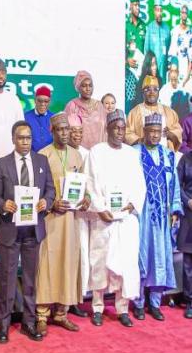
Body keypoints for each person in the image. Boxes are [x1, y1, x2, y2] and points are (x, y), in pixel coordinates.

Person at [0, 120, 55, 343]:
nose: (25, 142)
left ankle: (29, 323)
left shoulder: (42, 161)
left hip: (33, 230)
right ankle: (4, 324)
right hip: (10, 229)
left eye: (28, 138)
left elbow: (51, 189)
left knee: (30, 280)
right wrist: (3, 204)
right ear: (13, 139)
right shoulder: (2, 164)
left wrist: (46, 203)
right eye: (21, 138)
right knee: (7, 279)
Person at [86, 109, 146, 327]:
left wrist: (131, 205)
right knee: (100, 264)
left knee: (126, 263)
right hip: (104, 219)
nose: (120, 132)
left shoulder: (132, 154)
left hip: (126, 220)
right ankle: (98, 307)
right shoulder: (96, 152)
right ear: (107, 128)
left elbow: (140, 185)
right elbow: (90, 183)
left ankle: (122, 309)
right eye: (116, 128)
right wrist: (100, 209)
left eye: (123, 128)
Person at [35, 113, 89, 335]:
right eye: (60, 129)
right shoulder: (42, 155)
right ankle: (42, 315)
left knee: (68, 262)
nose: (65, 133)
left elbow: (84, 187)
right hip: (50, 220)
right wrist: (51, 203)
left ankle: (62, 313)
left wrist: (86, 200)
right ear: (52, 131)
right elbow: (36, 190)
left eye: (67, 129)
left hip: (72, 221)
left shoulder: (77, 155)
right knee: (47, 264)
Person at [133, 113, 182, 321]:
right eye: (150, 131)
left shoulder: (168, 155)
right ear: (144, 132)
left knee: (160, 257)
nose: (154, 135)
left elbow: (175, 186)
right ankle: (137, 303)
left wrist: (174, 210)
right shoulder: (133, 153)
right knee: (141, 256)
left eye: (157, 132)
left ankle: (154, 303)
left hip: (162, 215)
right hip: (141, 215)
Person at [68, 113, 97, 310]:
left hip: (86, 213)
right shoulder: (63, 153)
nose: (77, 135)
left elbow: (93, 182)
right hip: (66, 212)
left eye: (80, 131)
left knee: (85, 254)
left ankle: (80, 296)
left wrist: (89, 200)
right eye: (73, 132)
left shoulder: (89, 154)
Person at [126, 75, 182, 151]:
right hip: (142, 155)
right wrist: (140, 140)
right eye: (147, 89)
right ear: (143, 92)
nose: (152, 92)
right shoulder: (134, 113)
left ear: (159, 92)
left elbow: (178, 132)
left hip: (165, 156)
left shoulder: (169, 112)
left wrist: (170, 134)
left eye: (155, 89)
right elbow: (127, 133)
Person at [64, 70, 106, 150]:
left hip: (98, 152)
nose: (88, 89)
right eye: (84, 86)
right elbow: (66, 131)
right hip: (78, 152)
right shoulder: (72, 105)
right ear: (78, 88)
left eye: (90, 85)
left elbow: (105, 131)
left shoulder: (99, 105)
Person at [176, 151, 192, 318]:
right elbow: (177, 186)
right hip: (190, 213)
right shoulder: (185, 160)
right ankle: (189, 300)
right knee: (188, 262)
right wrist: (187, 201)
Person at [125, 0, 147, 110]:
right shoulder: (125, 25)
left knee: (141, 99)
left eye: (139, 5)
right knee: (130, 99)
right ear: (130, 7)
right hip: (129, 70)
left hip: (141, 70)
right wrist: (126, 60)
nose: (138, 8)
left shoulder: (143, 25)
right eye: (135, 5)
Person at [144, 0, 171, 84]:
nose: (159, 13)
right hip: (153, 69)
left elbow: (169, 48)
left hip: (163, 69)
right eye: (157, 10)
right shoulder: (150, 27)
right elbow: (146, 50)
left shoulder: (166, 28)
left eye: (161, 10)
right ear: (154, 11)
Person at [24, 86, 54, 152]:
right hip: (31, 157)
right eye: (39, 101)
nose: (42, 104)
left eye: (46, 101)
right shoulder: (25, 117)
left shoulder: (54, 118)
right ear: (35, 100)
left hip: (50, 157)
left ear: (50, 102)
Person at [168, 4, 191, 84]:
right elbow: (171, 53)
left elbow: (191, 58)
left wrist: (187, 76)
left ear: (187, 15)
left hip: (185, 70)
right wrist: (172, 72)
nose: (184, 14)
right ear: (180, 14)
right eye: (182, 12)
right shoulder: (174, 31)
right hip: (175, 69)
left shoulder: (190, 33)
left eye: (185, 13)